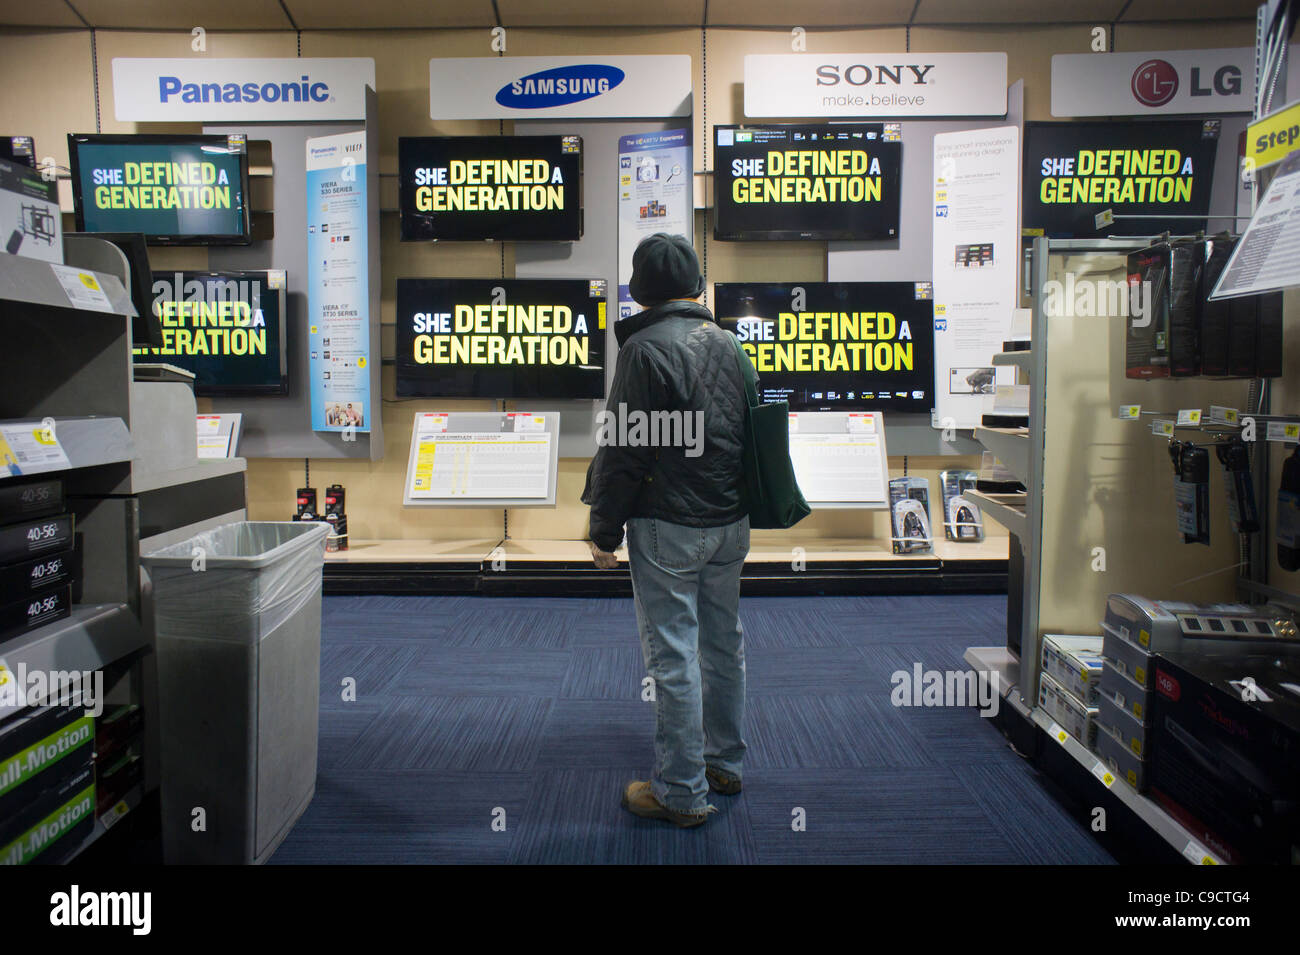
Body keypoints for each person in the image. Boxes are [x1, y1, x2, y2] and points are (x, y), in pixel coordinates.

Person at [582, 232, 751, 828]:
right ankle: (723, 764)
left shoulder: (643, 351)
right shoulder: (730, 345)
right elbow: (751, 437)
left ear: (641, 290)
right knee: (722, 644)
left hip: (668, 528)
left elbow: (624, 448)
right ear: (696, 286)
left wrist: (603, 530)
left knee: (674, 654)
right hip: (730, 524)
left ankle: (681, 792)